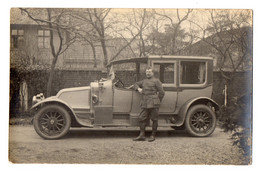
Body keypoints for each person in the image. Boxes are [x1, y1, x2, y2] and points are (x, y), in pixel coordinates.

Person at [133, 67, 165, 142]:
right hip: (145, 102)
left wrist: (157, 101)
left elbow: (162, 93)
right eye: (147, 72)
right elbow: (136, 84)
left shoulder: (156, 81)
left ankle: (153, 135)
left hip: (153, 103)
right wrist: (138, 89)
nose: (147, 73)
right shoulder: (144, 81)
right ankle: (142, 135)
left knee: (154, 119)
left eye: (149, 72)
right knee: (141, 118)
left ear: (153, 73)